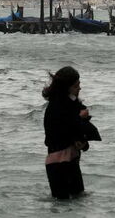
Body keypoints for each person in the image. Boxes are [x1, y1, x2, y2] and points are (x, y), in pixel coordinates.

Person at [42, 66, 100, 200]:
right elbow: (60, 131)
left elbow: (76, 131)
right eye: (76, 86)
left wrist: (83, 143)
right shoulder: (55, 107)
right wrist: (80, 118)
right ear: (66, 87)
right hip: (58, 163)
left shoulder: (72, 102)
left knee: (79, 199)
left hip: (71, 160)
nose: (79, 88)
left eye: (79, 85)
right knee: (62, 203)